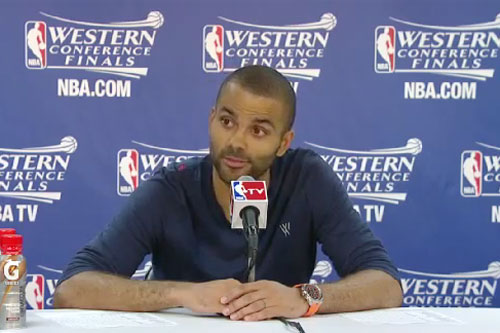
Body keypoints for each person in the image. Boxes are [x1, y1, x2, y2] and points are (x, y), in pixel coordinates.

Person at [54, 65, 403, 321]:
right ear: (211, 120)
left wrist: (305, 298)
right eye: (227, 122)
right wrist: (183, 294)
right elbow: (73, 289)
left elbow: (385, 285)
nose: (236, 142)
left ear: (284, 143)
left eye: (259, 130)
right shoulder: (171, 188)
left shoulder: (307, 179)